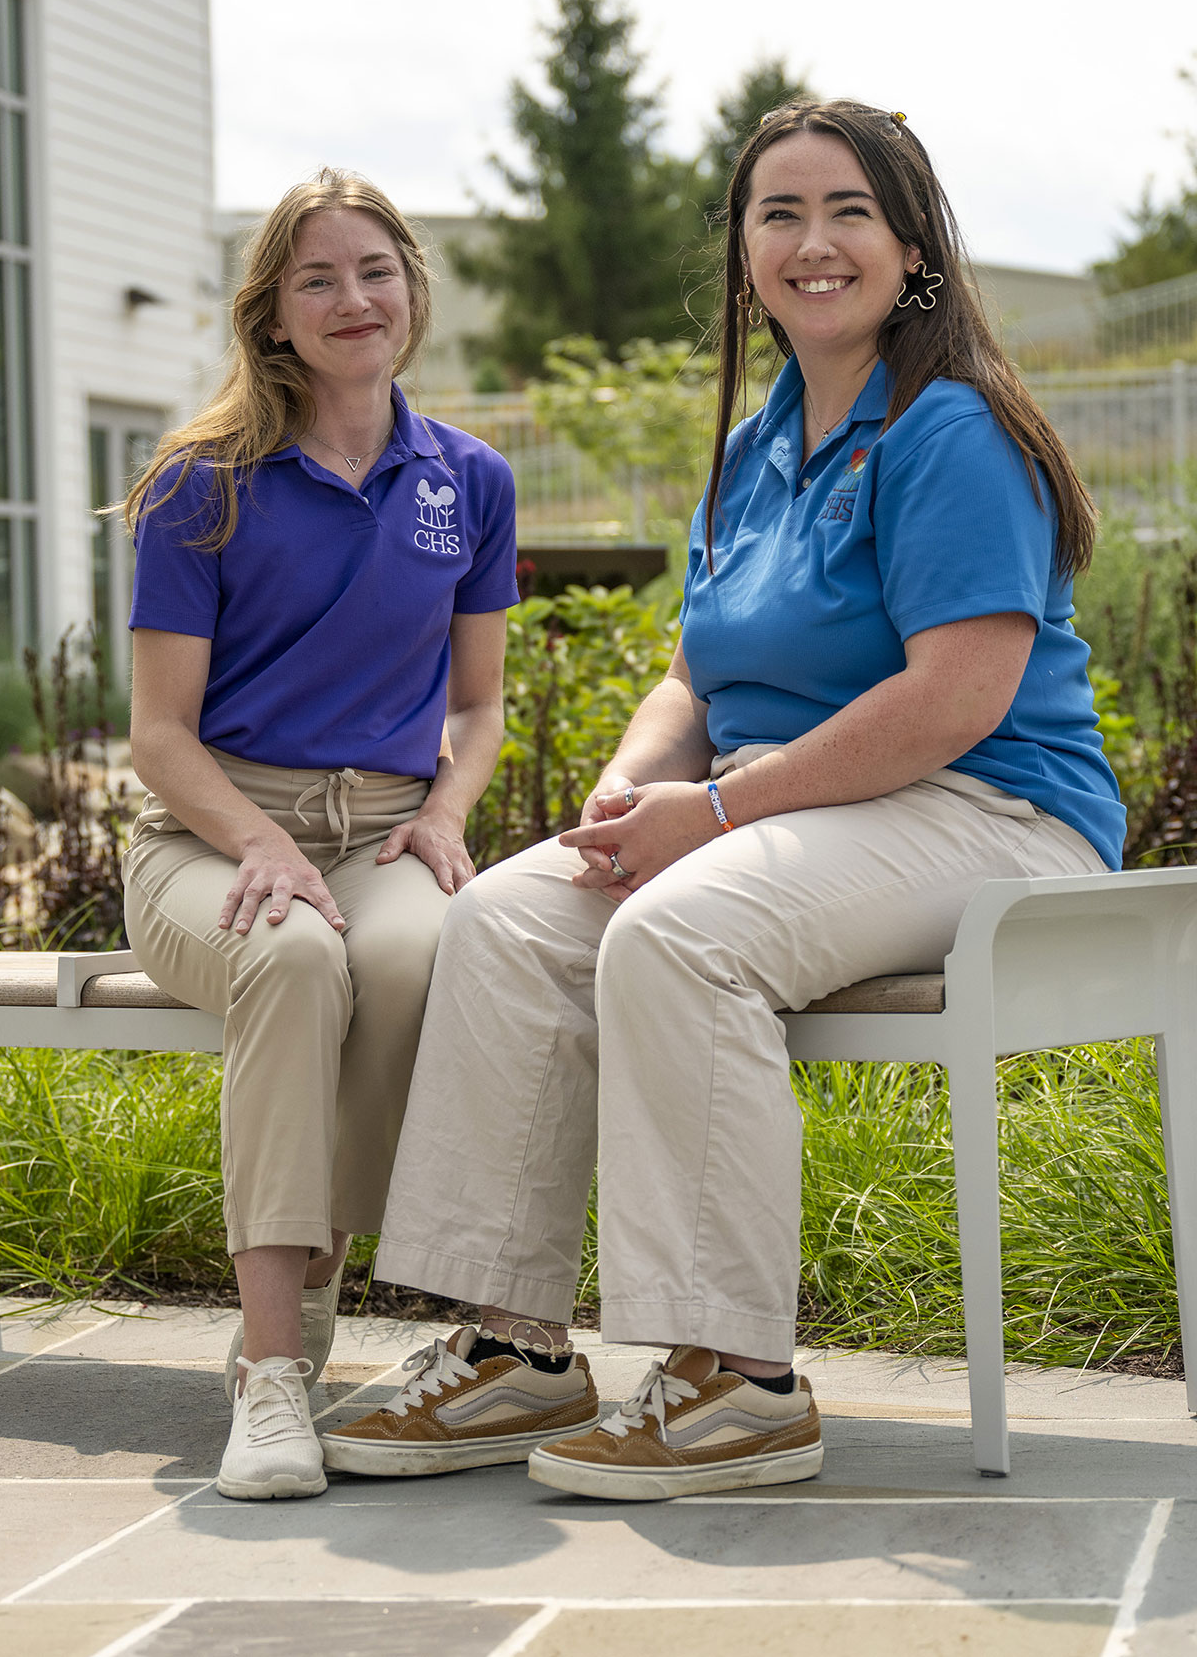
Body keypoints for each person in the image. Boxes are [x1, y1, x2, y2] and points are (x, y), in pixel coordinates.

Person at [321, 100, 1126, 1501]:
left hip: (989, 813)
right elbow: (691, 673)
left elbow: (959, 694)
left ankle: (734, 1380)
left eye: (848, 213)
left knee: (682, 931)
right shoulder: (762, 442)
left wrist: (726, 815)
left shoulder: (951, 431)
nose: (814, 244)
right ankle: (514, 1351)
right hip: (798, 818)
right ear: (746, 254)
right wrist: (637, 781)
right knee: (506, 924)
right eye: (780, 216)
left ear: (914, 243)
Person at [120, 169, 518, 1501]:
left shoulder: (470, 479)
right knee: (293, 961)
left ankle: (299, 1306)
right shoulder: (200, 482)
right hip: (211, 834)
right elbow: (160, 738)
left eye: (375, 271)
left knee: (416, 961)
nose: (354, 300)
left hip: (388, 835)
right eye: (317, 279)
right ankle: (275, 1375)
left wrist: (450, 814)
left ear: (411, 287)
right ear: (273, 317)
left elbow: (478, 699)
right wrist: (261, 848)